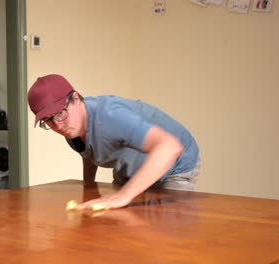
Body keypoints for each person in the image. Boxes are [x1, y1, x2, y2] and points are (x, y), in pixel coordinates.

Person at [27, 74, 200, 209]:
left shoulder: (110, 116)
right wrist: (89, 189)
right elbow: (88, 153)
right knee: (118, 223)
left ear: (76, 99)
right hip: (130, 166)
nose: (57, 124)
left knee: (167, 236)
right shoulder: (70, 127)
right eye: (49, 120)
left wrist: (124, 196)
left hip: (174, 165)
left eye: (60, 113)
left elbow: (169, 147)